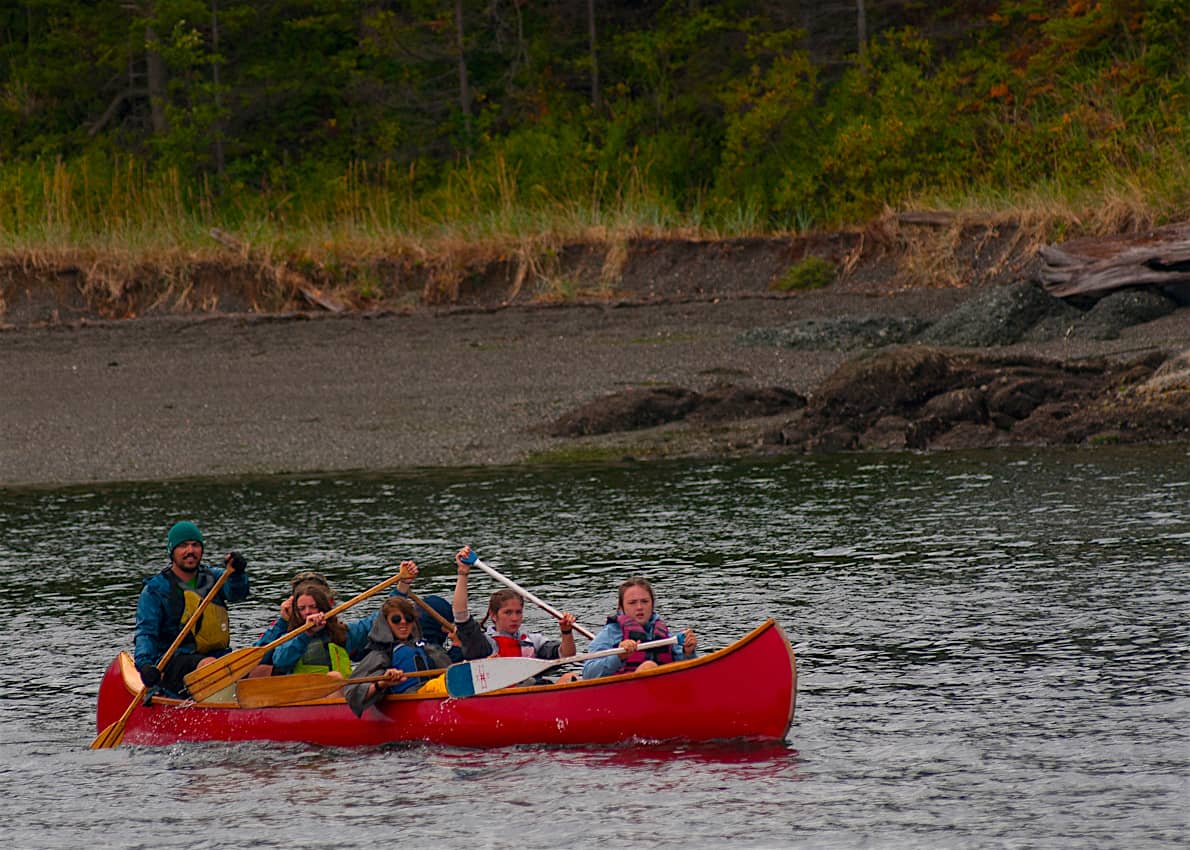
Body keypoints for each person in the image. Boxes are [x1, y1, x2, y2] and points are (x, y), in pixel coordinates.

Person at [134, 520, 250, 697]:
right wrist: (145, 666)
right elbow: (146, 634)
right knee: (209, 666)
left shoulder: (215, 578)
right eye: (183, 546)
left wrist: (238, 574)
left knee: (256, 668)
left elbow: (237, 593)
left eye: (195, 545)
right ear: (172, 552)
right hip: (173, 663)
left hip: (217, 657)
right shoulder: (155, 590)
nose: (190, 551)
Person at [452, 545, 579, 682]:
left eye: (518, 612)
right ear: (493, 615)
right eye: (508, 613)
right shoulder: (486, 644)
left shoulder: (532, 642)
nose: (515, 618)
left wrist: (566, 632)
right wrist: (463, 573)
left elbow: (566, 655)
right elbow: (461, 616)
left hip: (534, 692)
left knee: (571, 677)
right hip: (500, 693)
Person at [581, 577, 697, 679]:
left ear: (652, 604)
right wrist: (618, 656)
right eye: (632, 603)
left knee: (653, 666)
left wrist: (688, 653)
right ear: (621, 607)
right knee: (649, 667)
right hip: (620, 694)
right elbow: (588, 674)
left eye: (645, 601)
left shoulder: (666, 635)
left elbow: (685, 672)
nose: (640, 607)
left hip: (662, 692)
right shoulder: (610, 634)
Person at [344, 596, 439, 716]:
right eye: (396, 619)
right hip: (410, 704)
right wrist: (383, 682)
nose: (403, 622)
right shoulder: (379, 655)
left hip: (431, 696)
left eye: (408, 618)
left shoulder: (425, 648)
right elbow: (352, 694)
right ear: (386, 623)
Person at [268, 581, 354, 677]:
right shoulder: (289, 638)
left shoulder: (342, 632)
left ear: (323, 608)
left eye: (313, 607)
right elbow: (280, 662)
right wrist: (306, 634)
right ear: (297, 612)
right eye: (302, 608)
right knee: (334, 676)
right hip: (308, 690)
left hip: (344, 688)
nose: (307, 612)